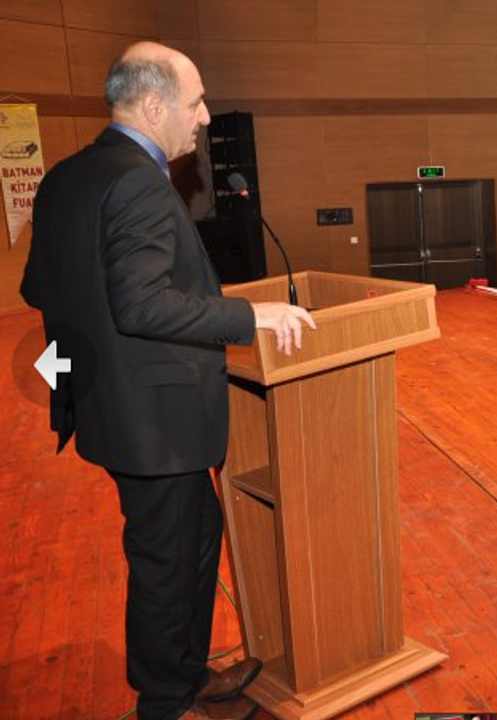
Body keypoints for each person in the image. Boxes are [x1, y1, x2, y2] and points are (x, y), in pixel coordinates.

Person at [20, 42, 317, 720]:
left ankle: (182, 675)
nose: (206, 117)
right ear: (154, 107)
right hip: (154, 422)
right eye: (196, 101)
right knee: (168, 562)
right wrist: (252, 314)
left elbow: (38, 286)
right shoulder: (138, 183)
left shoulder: (67, 176)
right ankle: (165, 703)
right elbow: (141, 305)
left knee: (190, 539)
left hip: (107, 405)